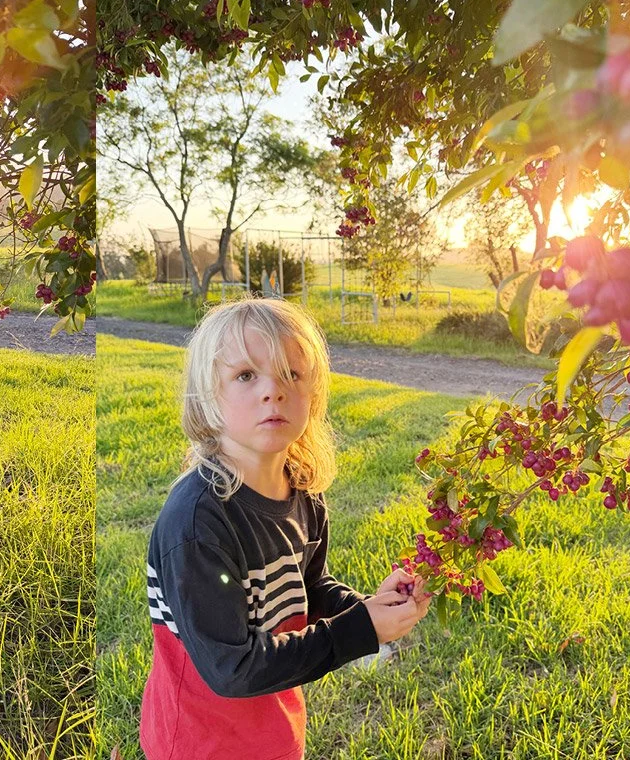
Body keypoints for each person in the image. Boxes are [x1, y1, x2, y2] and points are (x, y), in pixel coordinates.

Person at [140, 297, 432, 759]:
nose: (272, 391)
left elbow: (308, 586)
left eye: (291, 374)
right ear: (208, 395)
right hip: (201, 742)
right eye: (245, 376)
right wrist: (357, 632)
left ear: (312, 393)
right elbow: (231, 669)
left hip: (273, 729)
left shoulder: (303, 492)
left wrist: (368, 608)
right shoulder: (197, 522)